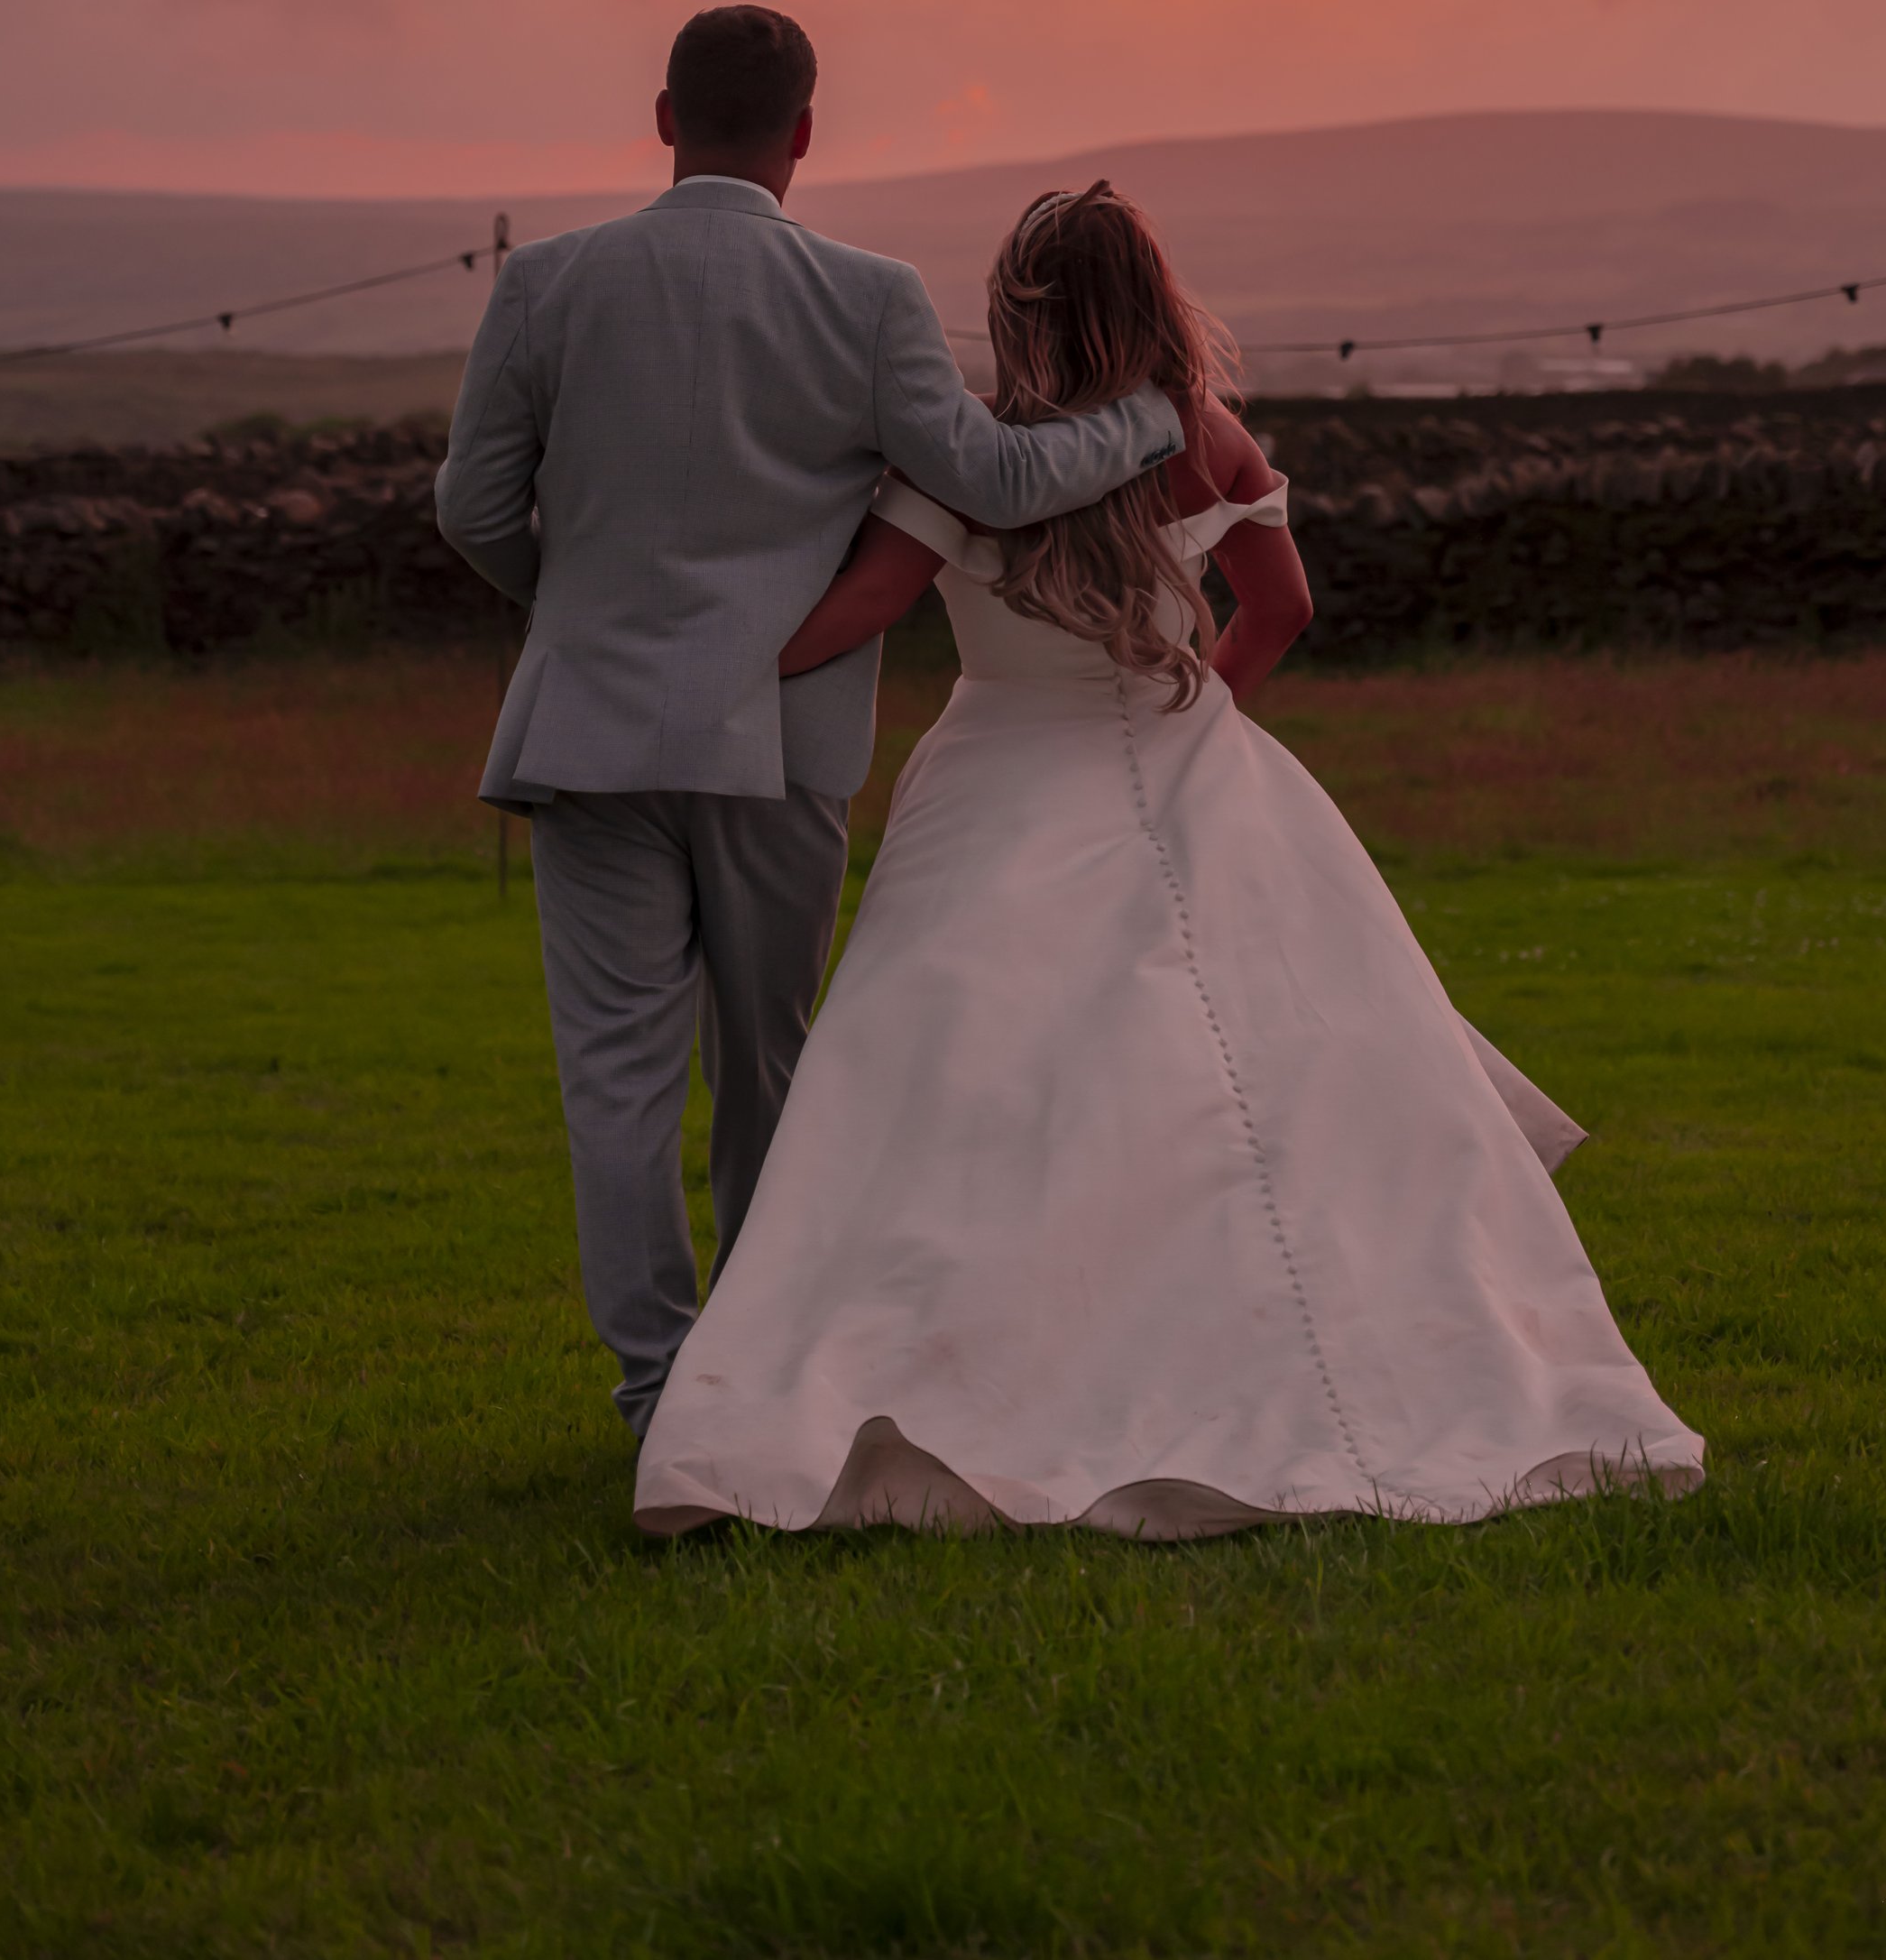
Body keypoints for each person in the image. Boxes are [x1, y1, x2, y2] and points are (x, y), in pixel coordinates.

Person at [634, 181, 1705, 1538]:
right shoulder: (1206, 436)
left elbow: (854, 612)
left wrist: (684, 666)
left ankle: (986, 1349)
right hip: (1183, 746)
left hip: (997, 773)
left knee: (968, 1077)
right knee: (1275, 1068)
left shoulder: (965, 454)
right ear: (1150, 294)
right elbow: (1284, 608)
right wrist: (1196, 713)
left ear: (1018, 310)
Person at [433, 13, 1183, 1440]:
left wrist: (578, 616)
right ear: (804, 133)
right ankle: (759, 1371)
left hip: (585, 732)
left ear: (663, 114)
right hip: (778, 739)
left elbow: (471, 507)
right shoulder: (867, 296)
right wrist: (1146, 420)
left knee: (616, 1080)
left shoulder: (546, 283)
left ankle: (657, 1384)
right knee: (767, 1065)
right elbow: (998, 478)